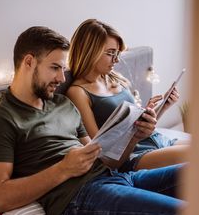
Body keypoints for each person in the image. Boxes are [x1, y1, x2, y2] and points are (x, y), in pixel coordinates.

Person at [0, 26, 186, 215]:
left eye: (63, 69)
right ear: (29, 62)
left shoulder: (63, 104)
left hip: (117, 178)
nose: (61, 78)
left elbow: (106, 160)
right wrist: (63, 169)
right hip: (79, 200)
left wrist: (134, 136)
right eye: (55, 68)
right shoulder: (1, 118)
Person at [67, 19, 189, 172]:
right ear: (90, 51)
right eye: (111, 53)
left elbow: (139, 126)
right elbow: (97, 146)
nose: (116, 60)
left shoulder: (114, 77)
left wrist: (161, 107)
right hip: (134, 154)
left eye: (117, 53)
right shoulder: (78, 91)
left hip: (156, 139)